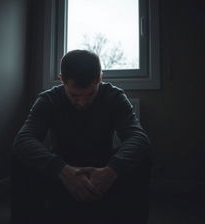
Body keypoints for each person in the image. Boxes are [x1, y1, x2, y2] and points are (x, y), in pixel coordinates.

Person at [11, 49, 151, 224]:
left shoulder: (114, 97)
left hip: (102, 172)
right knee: (21, 157)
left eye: (90, 94)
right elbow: (23, 140)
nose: (83, 102)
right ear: (62, 80)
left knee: (142, 157)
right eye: (75, 95)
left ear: (100, 78)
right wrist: (63, 171)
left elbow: (138, 138)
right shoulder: (49, 100)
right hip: (61, 174)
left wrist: (111, 171)